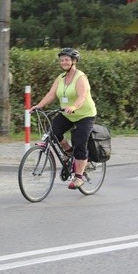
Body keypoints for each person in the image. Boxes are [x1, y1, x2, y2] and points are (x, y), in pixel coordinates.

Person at [30, 48, 97, 189]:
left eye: (66, 59)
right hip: (67, 114)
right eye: (61, 60)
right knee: (52, 132)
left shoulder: (80, 77)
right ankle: (68, 152)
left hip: (85, 115)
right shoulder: (60, 78)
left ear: (74, 61)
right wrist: (39, 105)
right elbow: (51, 94)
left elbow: (82, 96)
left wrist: (74, 106)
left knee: (80, 142)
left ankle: (79, 176)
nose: (63, 62)